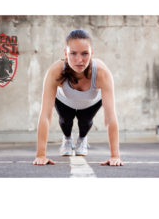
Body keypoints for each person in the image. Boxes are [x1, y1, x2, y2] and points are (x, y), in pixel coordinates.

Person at [33, 29, 124, 166]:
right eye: (73, 53)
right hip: (65, 100)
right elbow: (45, 115)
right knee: (66, 121)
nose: (79, 60)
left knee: (85, 122)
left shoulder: (102, 73)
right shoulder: (55, 71)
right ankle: (67, 139)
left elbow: (110, 117)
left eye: (85, 53)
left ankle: (82, 139)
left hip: (91, 101)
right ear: (65, 53)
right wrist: (40, 155)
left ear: (92, 53)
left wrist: (115, 156)